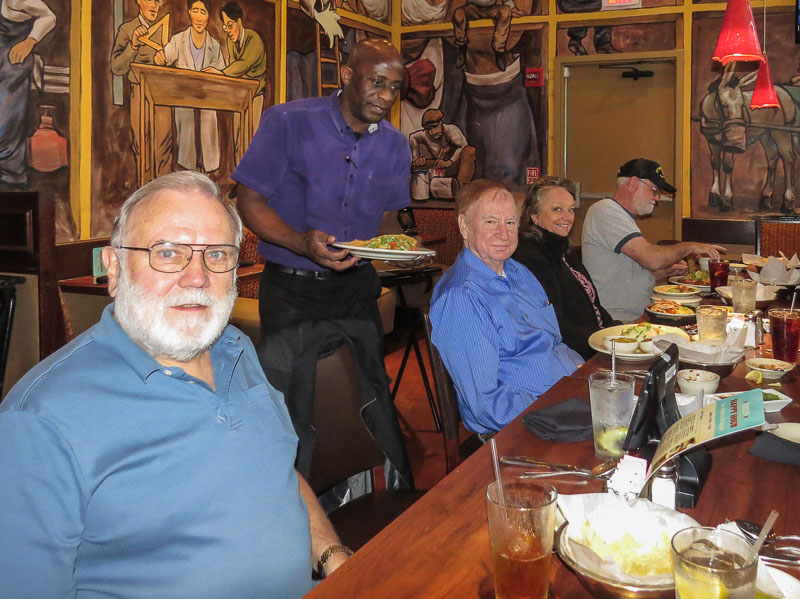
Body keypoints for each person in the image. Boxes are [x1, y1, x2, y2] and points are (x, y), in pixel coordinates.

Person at [0, 172, 350, 597]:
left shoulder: (235, 349)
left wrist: (333, 558)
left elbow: (276, 471)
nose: (197, 278)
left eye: (217, 255)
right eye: (167, 253)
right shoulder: (40, 420)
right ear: (113, 268)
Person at [232, 38, 411, 339]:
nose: (386, 96)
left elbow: (387, 219)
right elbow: (248, 200)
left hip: (358, 290)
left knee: (366, 385)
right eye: (377, 82)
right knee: (294, 387)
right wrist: (300, 242)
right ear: (347, 75)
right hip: (291, 290)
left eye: (395, 87)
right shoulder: (288, 121)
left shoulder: (396, 145)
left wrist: (403, 246)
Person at [430, 179, 583, 435]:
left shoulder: (517, 271)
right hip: (523, 428)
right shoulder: (462, 297)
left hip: (569, 396)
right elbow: (489, 407)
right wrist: (561, 411)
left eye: (510, 222)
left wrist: (586, 380)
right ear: (464, 226)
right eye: (490, 222)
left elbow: (554, 344)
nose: (504, 233)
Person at [582, 158, 726, 322]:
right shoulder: (606, 211)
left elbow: (623, 275)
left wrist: (662, 273)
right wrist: (690, 247)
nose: (657, 198)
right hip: (616, 319)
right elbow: (651, 259)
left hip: (635, 313)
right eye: (654, 190)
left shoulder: (622, 216)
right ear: (633, 183)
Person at [513, 176, 617, 359]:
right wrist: (604, 344)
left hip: (598, 345)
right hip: (573, 356)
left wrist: (619, 332)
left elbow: (594, 305)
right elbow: (555, 323)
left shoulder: (563, 249)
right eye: (557, 209)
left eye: (570, 210)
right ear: (534, 215)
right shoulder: (529, 256)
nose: (567, 217)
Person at [155, 0, 226, 172]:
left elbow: (223, 74)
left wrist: (217, 73)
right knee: (187, 155)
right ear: (189, 12)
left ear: (208, 16)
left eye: (203, 12)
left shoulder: (214, 46)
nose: (199, 17)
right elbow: (165, 57)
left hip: (207, 104)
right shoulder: (178, 40)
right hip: (185, 103)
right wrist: (160, 58)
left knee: (207, 152)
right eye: (196, 10)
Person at [111, 0, 173, 178]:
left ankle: (163, 192)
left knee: (164, 144)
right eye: (149, 0)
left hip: (163, 94)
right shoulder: (127, 29)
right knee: (141, 144)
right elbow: (117, 67)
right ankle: (144, 191)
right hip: (138, 91)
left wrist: (167, 61)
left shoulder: (166, 29)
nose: (154, 6)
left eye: (158, 1)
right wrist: (133, 46)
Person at [0, 0, 55, 189]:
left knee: (5, 129)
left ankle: (12, 184)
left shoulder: (16, 1)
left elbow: (49, 17)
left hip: (11, 66)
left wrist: (29, 42)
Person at [202, 1, 268, 156]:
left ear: (239, 21)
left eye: (230, 25)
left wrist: (221, 73)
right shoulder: (231, 43)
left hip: (255, 95)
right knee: (238, 139)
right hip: (239, 95)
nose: (227, 30)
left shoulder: (254, 39)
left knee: (250, 138)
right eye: (225, 26)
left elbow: (242, 65)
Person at [409, 108, 476, 196]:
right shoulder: (423, 135)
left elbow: (463, 147)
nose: (432, 132)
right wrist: (416, 158)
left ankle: (461, 191)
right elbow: (412, 137)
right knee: (415, 166)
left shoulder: (451, 130)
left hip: (453, 165)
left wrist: (449, 161)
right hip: (437, 166)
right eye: (429, 129)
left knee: (470, 151)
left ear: (441, 122)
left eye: (435, 127)